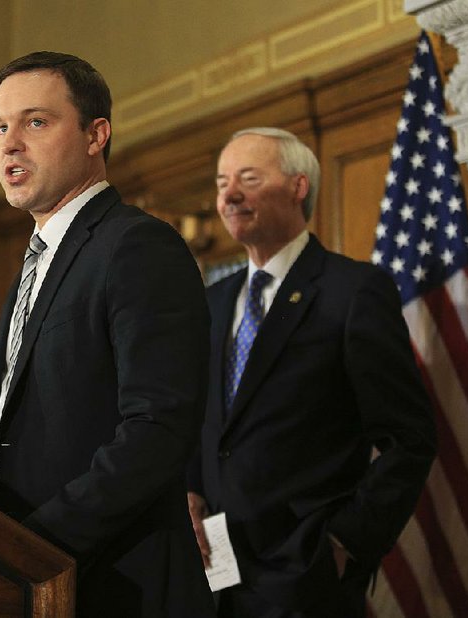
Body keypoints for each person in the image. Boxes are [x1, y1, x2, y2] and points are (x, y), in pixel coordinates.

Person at [0, 51, 215, 617]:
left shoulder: (137, 247)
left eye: (35, 122)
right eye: (0, 127)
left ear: (95, 135)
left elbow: (156, 429)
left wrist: (39, 545)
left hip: (112, 583)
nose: (9, 143)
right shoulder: (33, 264)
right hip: (24, 579)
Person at [187, 127, 437, 617]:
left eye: (249, 178)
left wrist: (345, 542)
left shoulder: (353, 291)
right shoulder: (213, 301)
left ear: (299, 187)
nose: (229, 195)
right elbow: (206, 420)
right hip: (215, 575)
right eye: (221, 183)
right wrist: (190, 491)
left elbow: (410, 438)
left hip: (306, 577)